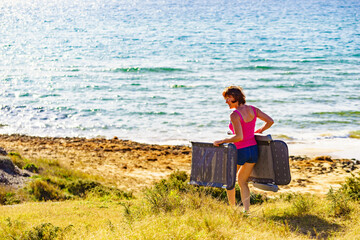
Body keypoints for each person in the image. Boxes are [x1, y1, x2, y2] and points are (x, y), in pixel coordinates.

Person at [213, 86, 274, 212]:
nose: (226, 102)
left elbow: (239, 137)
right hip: (253, 151)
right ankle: (247, 211)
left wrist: (222, 140)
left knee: (229, 179)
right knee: (242, 181)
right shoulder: (253, 110)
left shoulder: (235, 115)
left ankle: (233, 209)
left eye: (227, 98)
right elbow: (270, 121)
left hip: (241, 151)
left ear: (235, 98)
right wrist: (260, 130)